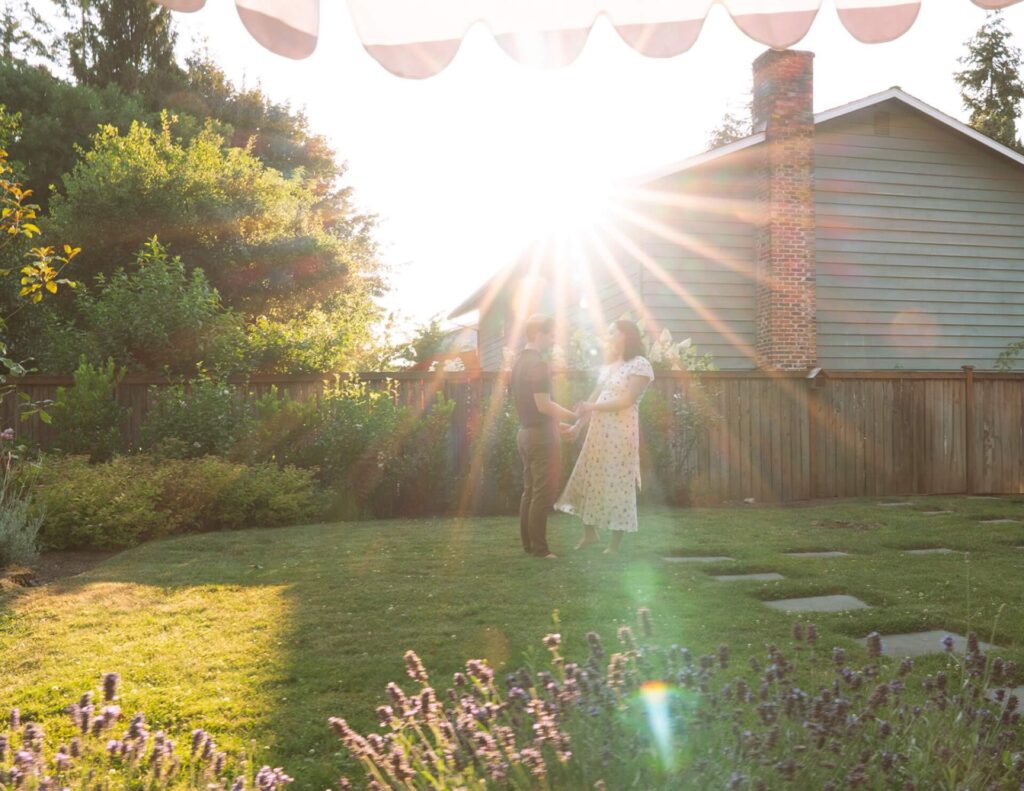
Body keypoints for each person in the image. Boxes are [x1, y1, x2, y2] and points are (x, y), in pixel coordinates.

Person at [556, 319, 655, 555]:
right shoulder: (610, 365)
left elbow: (627, 400)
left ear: (625, 335)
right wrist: (578, 427)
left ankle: (614, 543)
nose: (608, 336)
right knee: (589, 477)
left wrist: (592, 407)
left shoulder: (640, 364)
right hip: (598, 433)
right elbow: (595, 399)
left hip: (621, 434)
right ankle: (590, 534)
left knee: (618, 483)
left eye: (612, 332)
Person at [511, 314, 577, 559]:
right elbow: (542, 404)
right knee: (543, 493)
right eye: (551, 334)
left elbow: (529, 404)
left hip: (525, 433)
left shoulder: (519, 363)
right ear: (539, 334)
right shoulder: (538, 364)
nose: (553, 339)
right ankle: (540, 549)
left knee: (530, 491)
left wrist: (555, 424)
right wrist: (571, 416)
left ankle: (529, 545)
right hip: (540, 437)